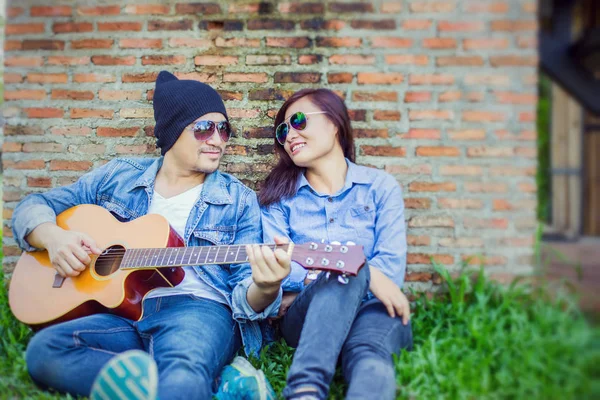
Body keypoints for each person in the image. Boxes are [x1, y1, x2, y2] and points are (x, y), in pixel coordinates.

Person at [11, 71, 289, 400]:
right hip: (121, 313)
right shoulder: (118, 176)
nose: (218, 139)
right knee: (46, 350)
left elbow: (246, 293)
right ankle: (221, 385)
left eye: (224, 128)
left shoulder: (238, 199)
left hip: (197, 311)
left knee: (182, 376)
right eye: (204, 128)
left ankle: (173, 381)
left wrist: (267, 285)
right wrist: (54, 238)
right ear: (172, 131)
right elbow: (33, 206)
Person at [250, 88, 413, 400]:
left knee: (370, 359)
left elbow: (390, 273)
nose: (289, 136)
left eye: (298, 121)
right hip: (308, 315)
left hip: (374, 311)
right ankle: (305, 390)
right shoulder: (276, 198)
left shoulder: (380, 189)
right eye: (282, 130)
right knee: (341, 272)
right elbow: (280, 271)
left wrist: (313, 273)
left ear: (334, 123)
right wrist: (356, 271)